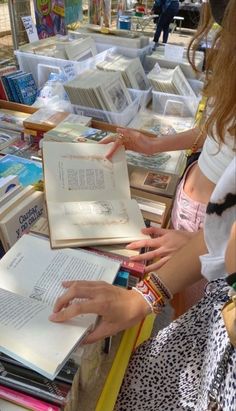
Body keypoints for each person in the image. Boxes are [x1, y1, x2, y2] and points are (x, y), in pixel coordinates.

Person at [49, 1, 236, 408]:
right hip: (199, 230)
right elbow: (216, 128)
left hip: (206, 243)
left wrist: (201, 242)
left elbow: (224, 248)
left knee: (183, 325)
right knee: (181, 311)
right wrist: (152, 143)